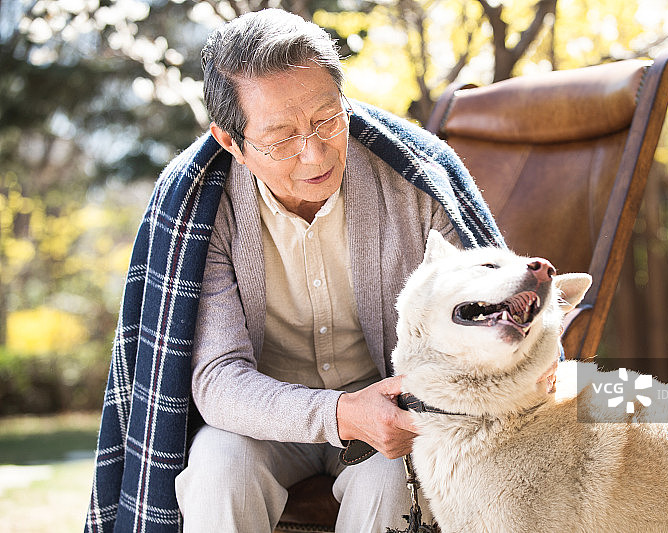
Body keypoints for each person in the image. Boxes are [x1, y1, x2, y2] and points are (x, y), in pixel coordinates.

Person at [85, 8, 503, 533]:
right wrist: (339, 413)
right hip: (264, 416)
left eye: (328, 120)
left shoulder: (416, 179)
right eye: (282, 137)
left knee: (394, 480)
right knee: (218, 464)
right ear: (230, 142)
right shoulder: (202, 208)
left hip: (391, 410)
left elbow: (482, 312)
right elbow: (217, 380)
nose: (313, 154)